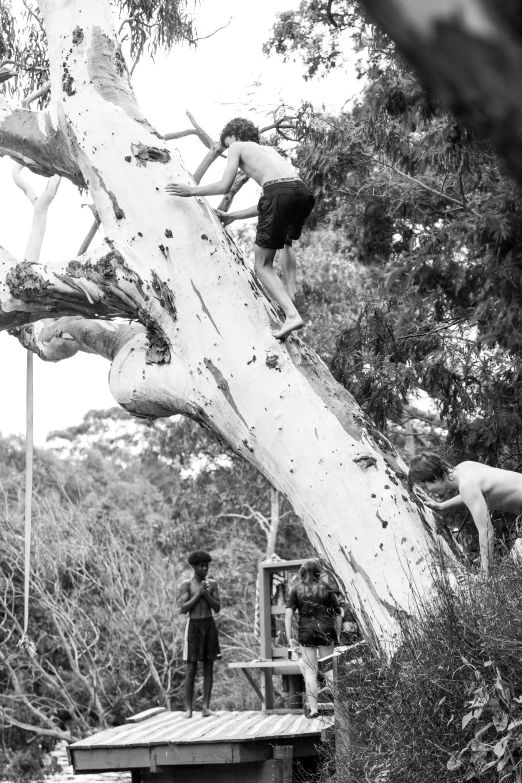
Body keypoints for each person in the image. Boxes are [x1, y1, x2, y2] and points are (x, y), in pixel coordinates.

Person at [166, 117, 315, 340]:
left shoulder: (237, 146)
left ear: (234, 136)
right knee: (285, 241)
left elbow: (224, 186)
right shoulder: (269, 152)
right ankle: (290, 290)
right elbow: (274, 200)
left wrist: (191, 190)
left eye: (226, 144)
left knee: (262, 265)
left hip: (279, 194)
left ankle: (292, 315)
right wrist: (232, 216)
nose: (227, 149)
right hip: (303, 193)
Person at [409, 452, 522, 572]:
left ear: (435, 478)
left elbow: (487, 531)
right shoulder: (465, 467)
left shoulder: (466, 485)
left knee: (517, 559)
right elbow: (472, 495)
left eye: (426, 486)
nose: (429, 491)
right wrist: (441, 506)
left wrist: (485, 574)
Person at [285, 559, 342, 718]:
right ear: (318, 572)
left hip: (307, 631)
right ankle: (340, 709)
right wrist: (337, 635)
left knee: (310, 672)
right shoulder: (327, 588)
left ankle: (314, 710)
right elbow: (337, 614)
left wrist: (290, 638)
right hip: (326, 630)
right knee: (330, 670)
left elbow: (288, 615)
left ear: (302, 573)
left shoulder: (296, 589)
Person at [179, 550, 221, 718]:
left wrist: (207, 594)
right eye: (202, 566)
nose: (205, 568)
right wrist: (199, 594)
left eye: (207, 566)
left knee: (209, 666)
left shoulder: (213, 584)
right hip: (194, 626)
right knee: (191, 667)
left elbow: (217, 608)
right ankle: (188, 709)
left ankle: (205, 708)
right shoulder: (187, 585)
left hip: (209, 624)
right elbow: (183, 609)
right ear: (194, 567)